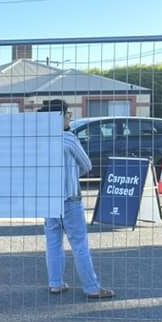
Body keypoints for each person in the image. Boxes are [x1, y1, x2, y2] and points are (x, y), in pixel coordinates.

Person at [38, 99, 114, 299]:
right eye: (67, 114)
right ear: (59, 117)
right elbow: (87, 165)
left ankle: (55, 283)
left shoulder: (38, 138)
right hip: (70, 197)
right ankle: (91, 287)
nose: (69, 118)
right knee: (79, 243)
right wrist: (71, 173)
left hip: (47, 197)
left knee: (53, 242)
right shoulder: (69, 139)